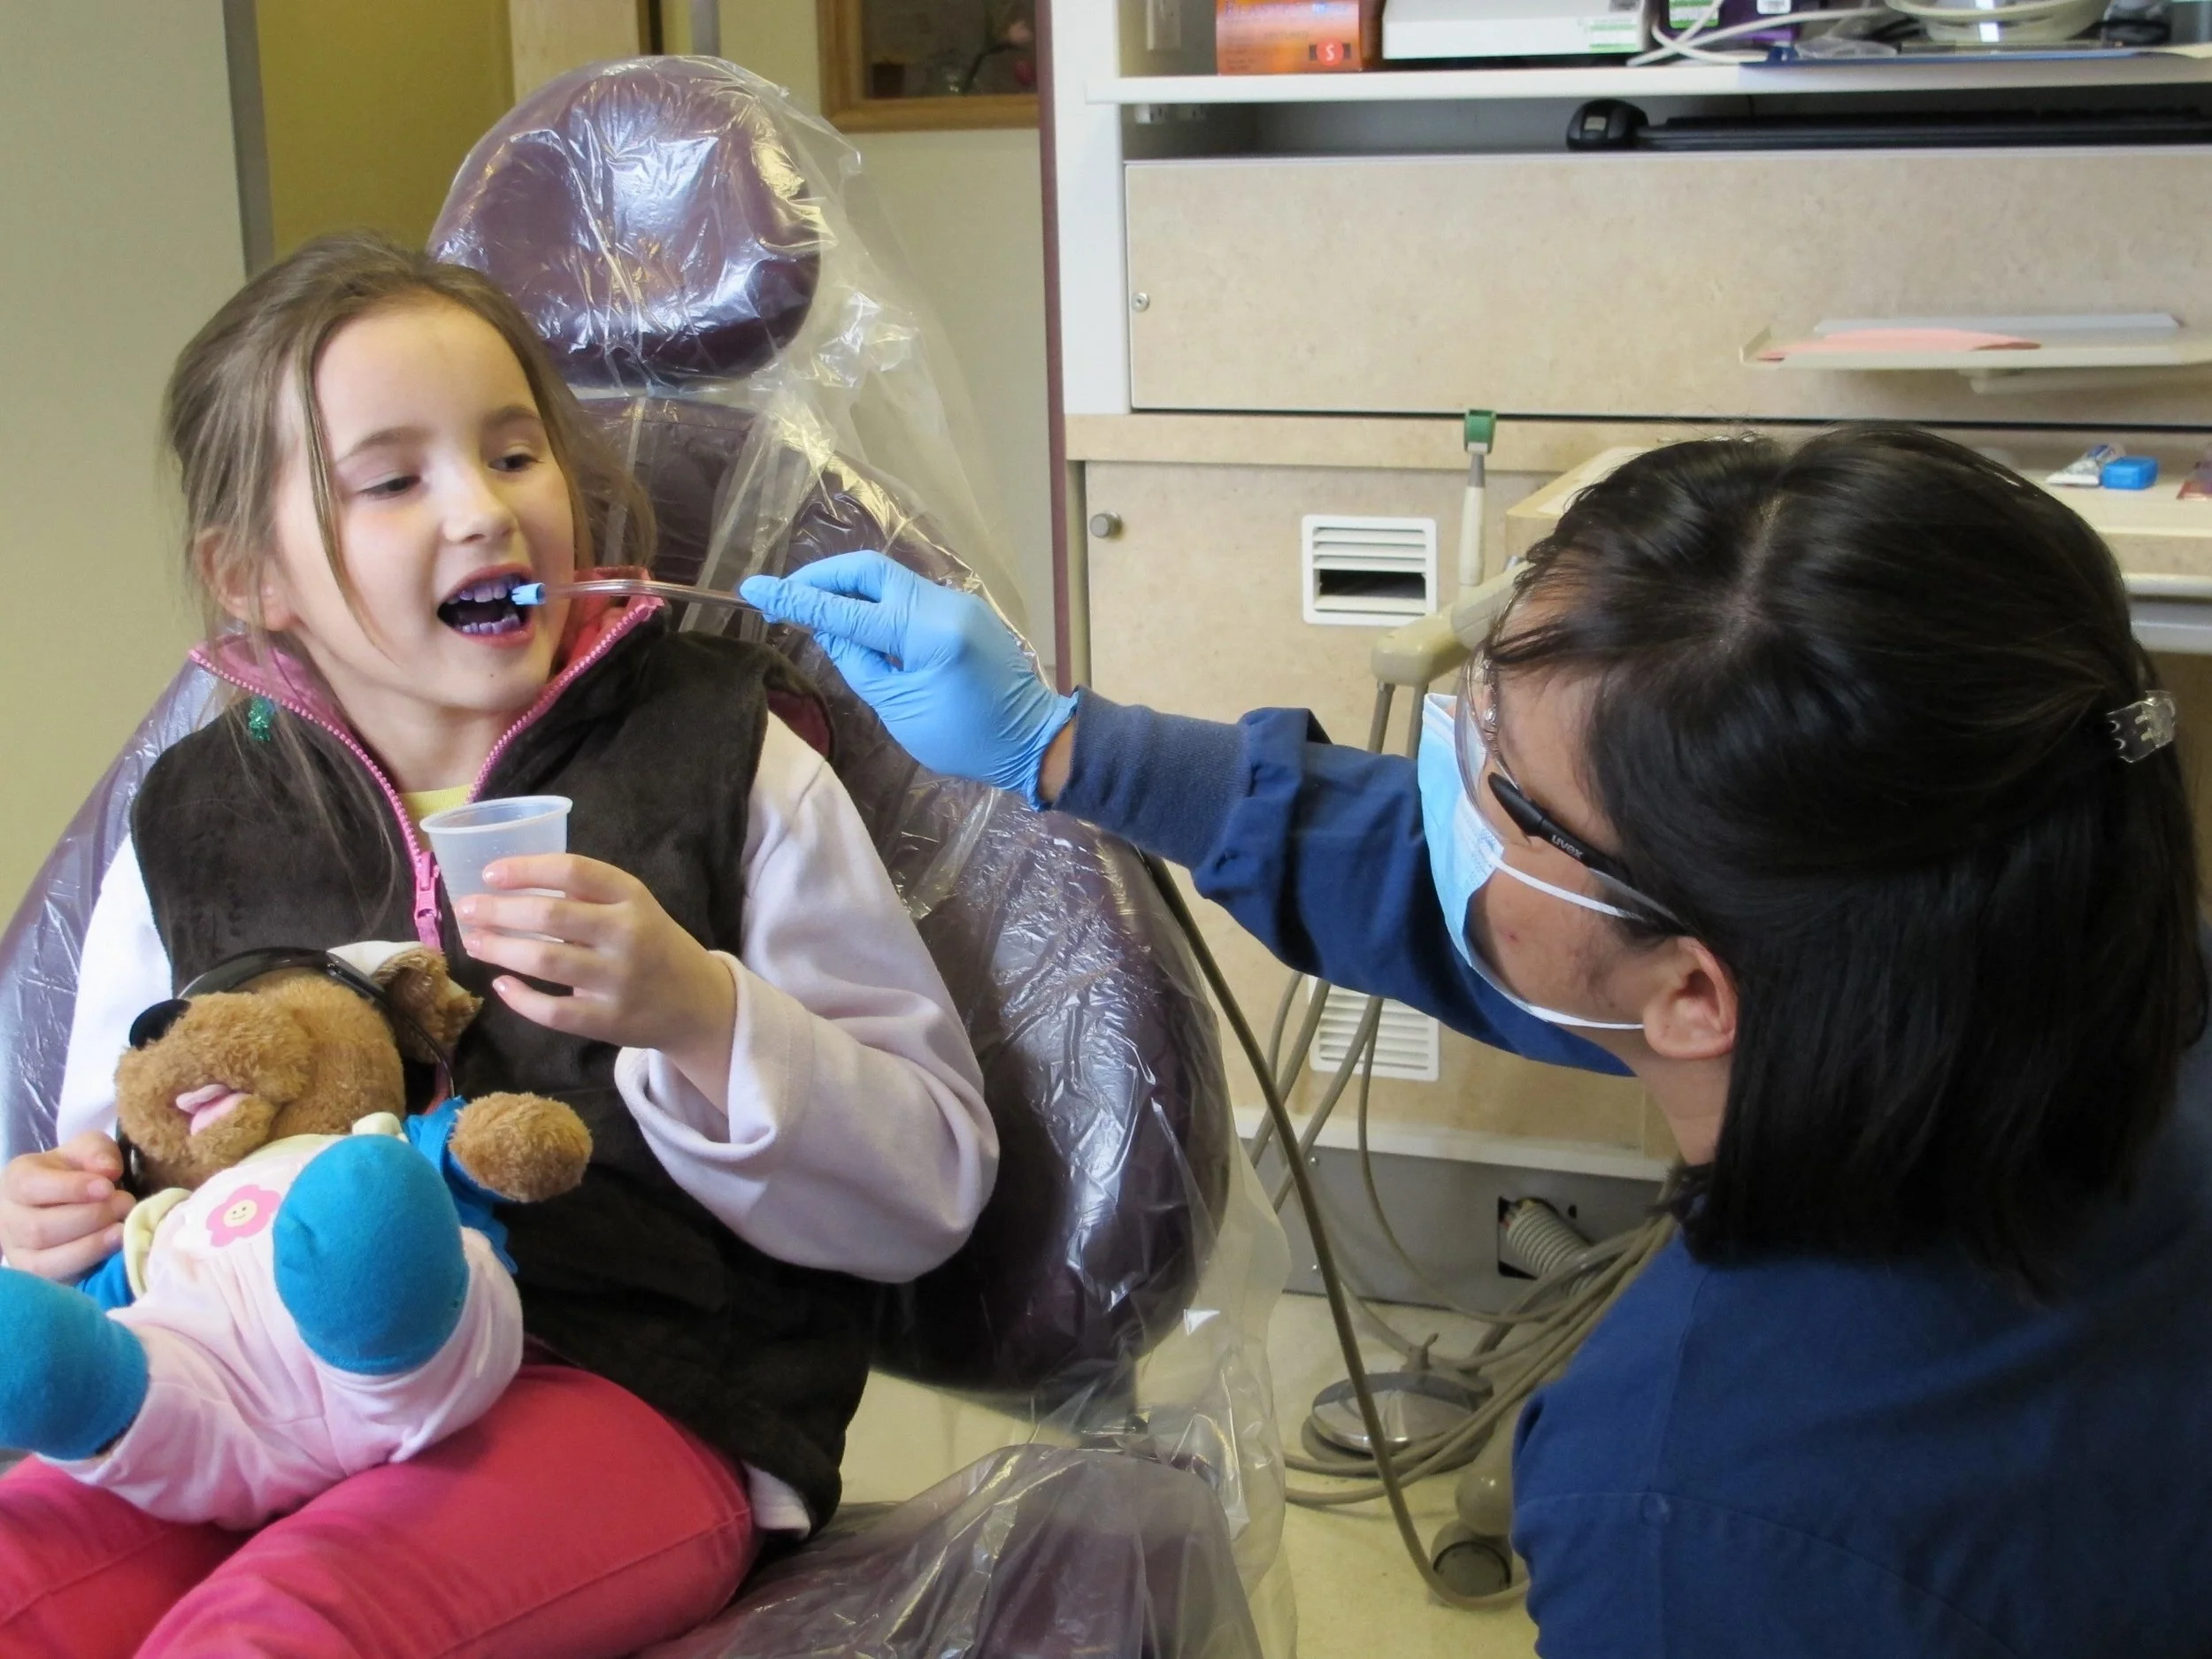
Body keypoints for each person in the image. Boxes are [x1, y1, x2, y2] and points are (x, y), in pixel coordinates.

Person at [741, 426, 2212, 1656]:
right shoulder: (2034, 968)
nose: (1440, 772)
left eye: (1495, 776)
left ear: (1695, 996)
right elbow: (1505, 900)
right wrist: (1068, 747)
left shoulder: (1697, 1514)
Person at [0, 231, 993, 1658]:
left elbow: (931, 1189)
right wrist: (56, 1217)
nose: (482, 510)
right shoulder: (201, 813)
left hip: (628, 1388)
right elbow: (126, 1153)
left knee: (284, 1627)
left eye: (516, 455)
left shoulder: (726, 757)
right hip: (242, 1396)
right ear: (247, 573)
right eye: (393, 480)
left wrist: (700, 1013)